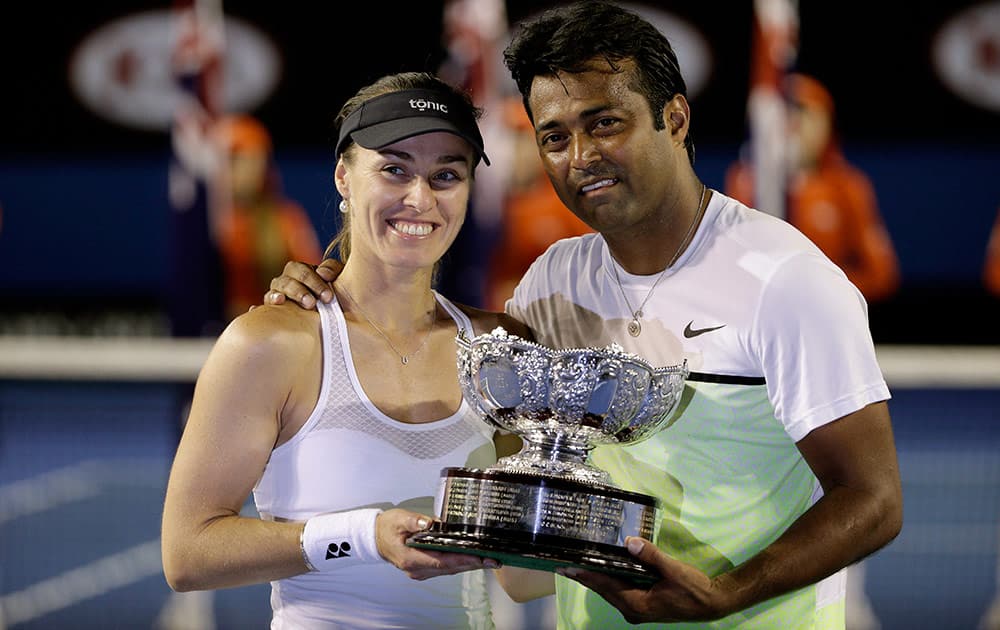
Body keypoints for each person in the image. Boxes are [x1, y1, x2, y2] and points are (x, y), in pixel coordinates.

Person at [263, 2, 904, 628]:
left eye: (605, 124)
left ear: (674, 119)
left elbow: (873, 500)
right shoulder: (555, 277)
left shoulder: (786, 279)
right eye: (555, 137)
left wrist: (724, 595)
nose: (580, 157)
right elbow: (448, 343)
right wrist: (335, 291)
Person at [160, 71, 549, 629]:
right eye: (395, 169)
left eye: (446, 174)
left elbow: (523, 575)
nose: (421, 198)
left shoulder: (502, 348)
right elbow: (187, 554)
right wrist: (363, 536)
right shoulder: (271, 343)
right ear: (344, 177)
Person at [725, 73, 901, 304]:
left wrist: (818, 291)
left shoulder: (848, 186)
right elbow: (731, 267)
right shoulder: (746, 180)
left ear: (827, 124)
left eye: (805, 116)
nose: (793, 127)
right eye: (784, 118)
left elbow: (881, 274)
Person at [483, 96, 593, 311]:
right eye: (512, 141)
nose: (517, 152)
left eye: (525, 142)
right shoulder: (492, 206)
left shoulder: (565, 201)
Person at [214, 114, 324, 321]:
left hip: (266, 328)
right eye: (232, 160)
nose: (245, 169)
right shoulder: (206, 222)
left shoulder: (286, 219)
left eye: (252, 160)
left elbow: (312, 282)